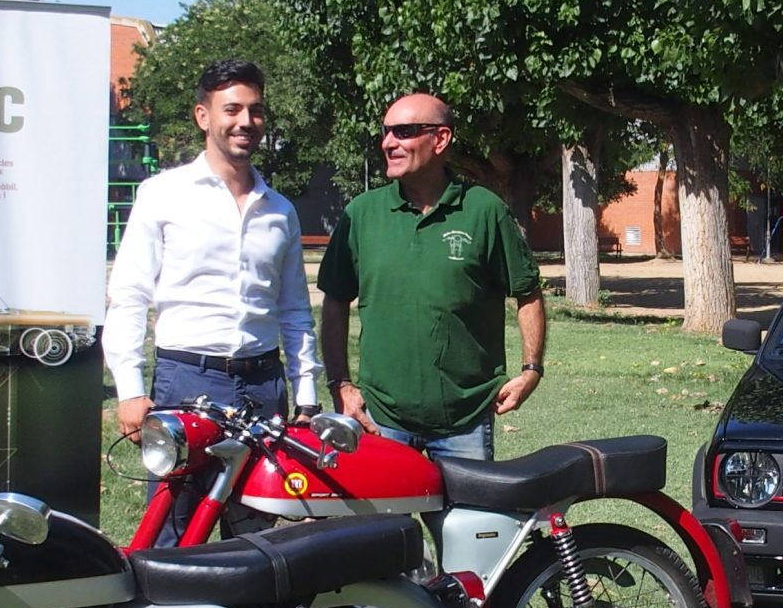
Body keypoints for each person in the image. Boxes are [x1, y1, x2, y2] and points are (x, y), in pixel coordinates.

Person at [317, 92, 545, 461]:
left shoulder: (485, 211)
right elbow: (335, 301)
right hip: (381, 419)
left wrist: (531, 370)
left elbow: (527, 292)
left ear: (440, 139)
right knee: (387, 521)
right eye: (386, 132)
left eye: (403, 132)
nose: (388, 142)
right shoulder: (362, 214)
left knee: (469, 522)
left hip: (465, 421)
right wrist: (340, 384)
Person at [104, 57, 322, 440]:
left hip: (264, 387)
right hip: (185, 381)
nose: (245, 121)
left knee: (261, 501)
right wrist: (130, 390)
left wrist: (306, 397)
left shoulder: (280, 211)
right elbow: (130, 296)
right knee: (181, 502)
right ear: (203, 117)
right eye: (232, 109)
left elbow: (294, 310)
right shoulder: (162, 195)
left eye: (255, 111)